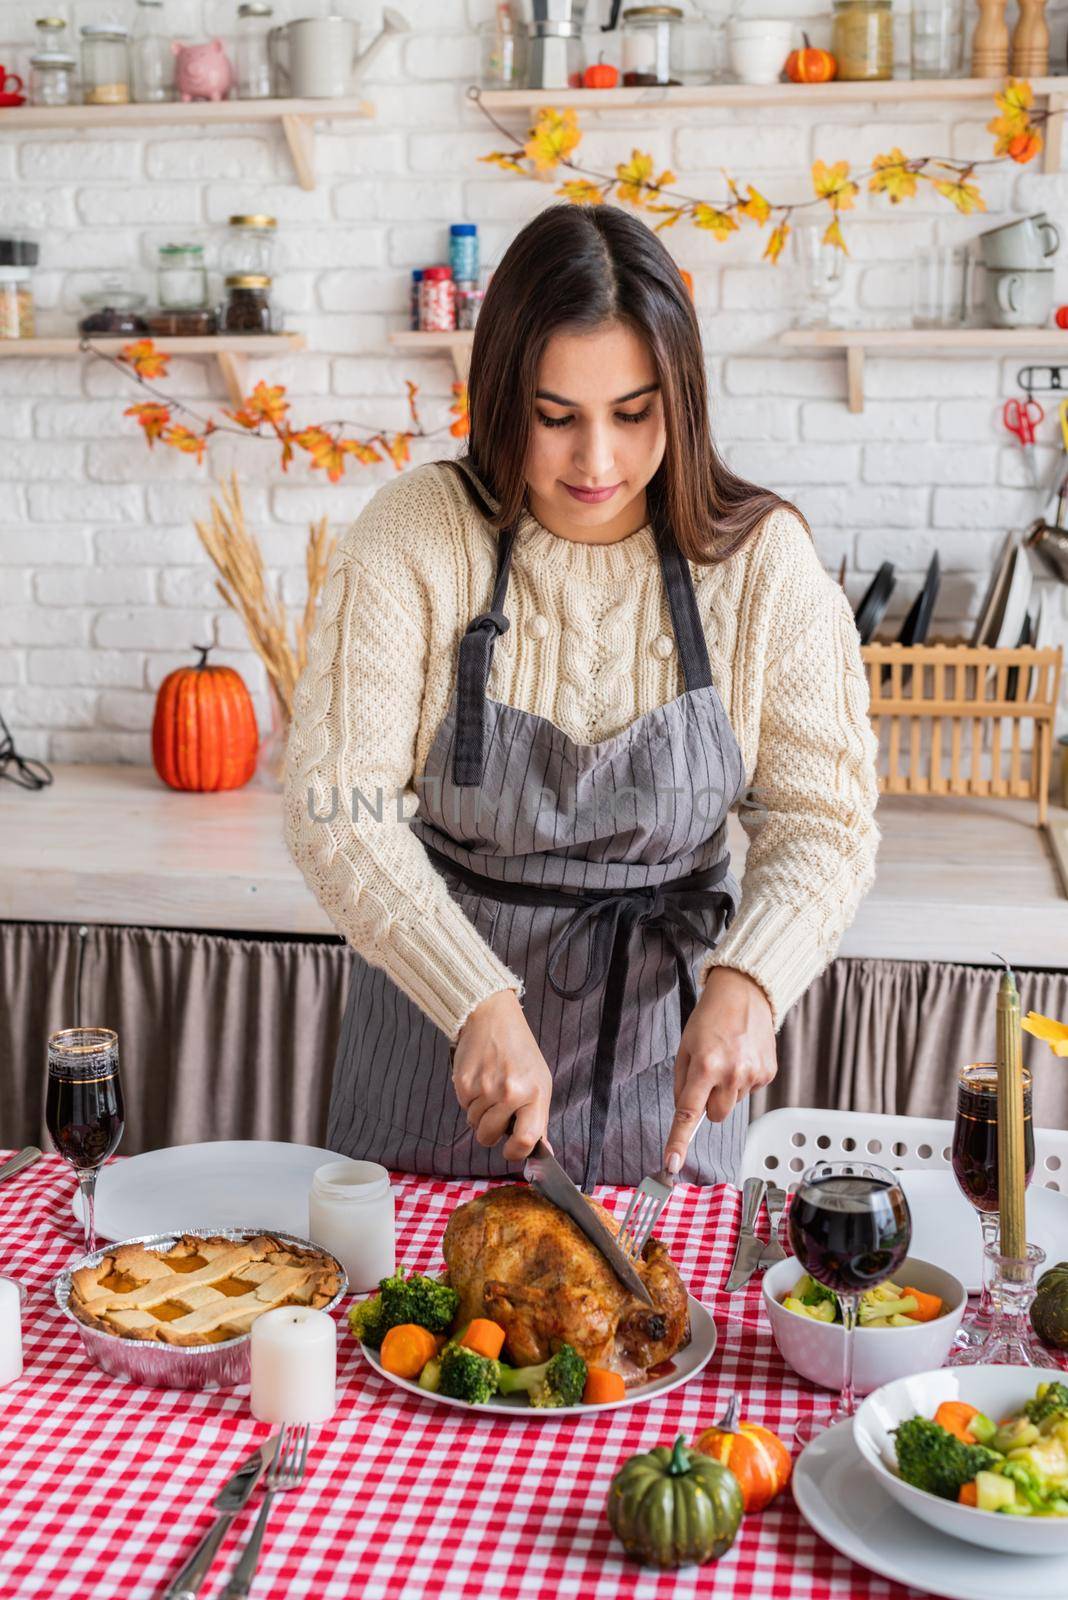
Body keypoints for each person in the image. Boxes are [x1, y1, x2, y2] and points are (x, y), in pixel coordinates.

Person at [284, 203, 879, 1191]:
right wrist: (473, 995)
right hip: (441, 1069)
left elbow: (825, 817)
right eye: (557, 418)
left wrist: (751, 977)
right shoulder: (420, 535)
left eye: (633, 413)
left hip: (667, 1088)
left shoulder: (761, 561)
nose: (596, 462)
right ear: (500, 395)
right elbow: (334, 810)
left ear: (679, 399)